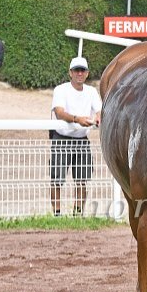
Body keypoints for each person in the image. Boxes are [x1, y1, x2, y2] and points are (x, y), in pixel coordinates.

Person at [49, 56, 101, 217]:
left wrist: (98, 117)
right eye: (77, 70)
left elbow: (100, 110)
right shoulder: (60, 89)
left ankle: (77, 213)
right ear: (70, 73)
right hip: (61, 138)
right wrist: (77, 119)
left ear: (87, 73)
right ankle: (57, 214)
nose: (80, 73)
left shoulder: (91, 91)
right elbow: (59, 112)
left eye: (82, 70)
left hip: (82, 140)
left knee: (82, 179)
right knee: (57, 179)